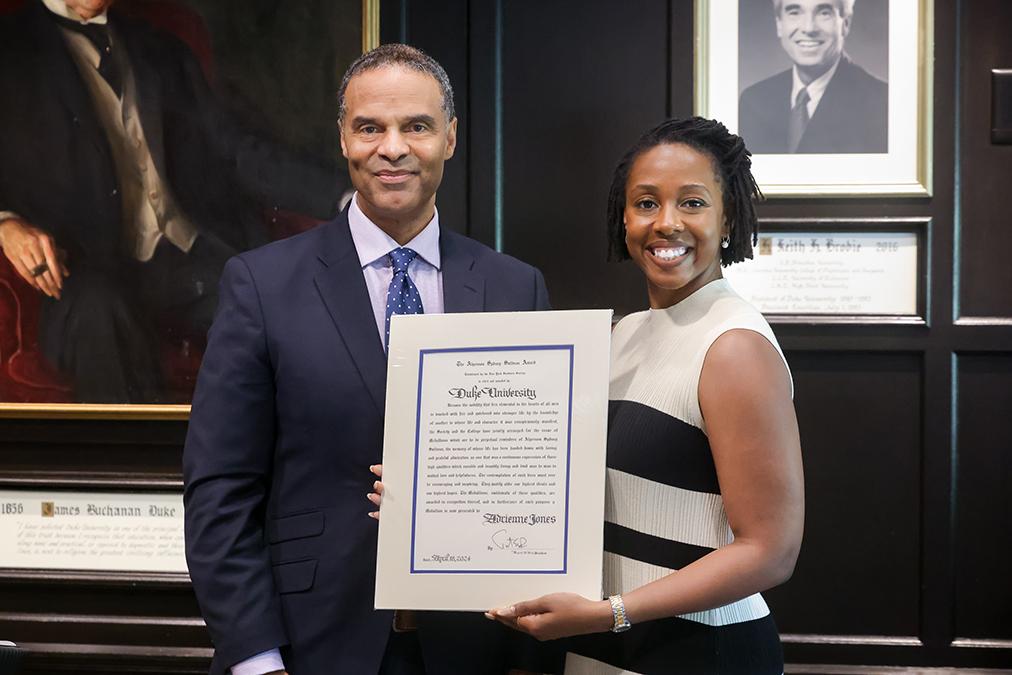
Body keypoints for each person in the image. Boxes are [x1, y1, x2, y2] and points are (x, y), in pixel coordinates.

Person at [183, 44, 556, 675]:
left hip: (473, 644)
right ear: (343, 138)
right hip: (309, 643)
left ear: (451, 138)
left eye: (416, 126)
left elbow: (540, 476)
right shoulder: (262, 283)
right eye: (369, 128)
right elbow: (220, 487)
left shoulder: (514, 288)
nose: (392, 148)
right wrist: (255, 658)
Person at [483, 117, 804, 674]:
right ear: (623, 218)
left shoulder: (733, 346)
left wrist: (611, 614)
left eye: (694, 203)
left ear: (727, 219)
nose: (667, 223)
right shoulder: (622, 334)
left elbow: (771, 551)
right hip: (603, 640)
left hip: (699, 650)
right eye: (647, 203)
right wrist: (430, 486)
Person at [0, 0, 345, 403]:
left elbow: (235, 150)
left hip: (187, 253)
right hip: (84, 268)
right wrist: (5, 222)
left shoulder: (160, 46)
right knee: (100, 315)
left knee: (278, 314)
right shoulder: (11, 46)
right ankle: (124, 460)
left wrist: (343, 196)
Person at [738, 0, 888, 154]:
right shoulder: (753, 101)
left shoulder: (883, 104)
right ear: (779, 25)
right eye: (794, 12)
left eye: (824, 13)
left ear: (845, 24)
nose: (808, 28)